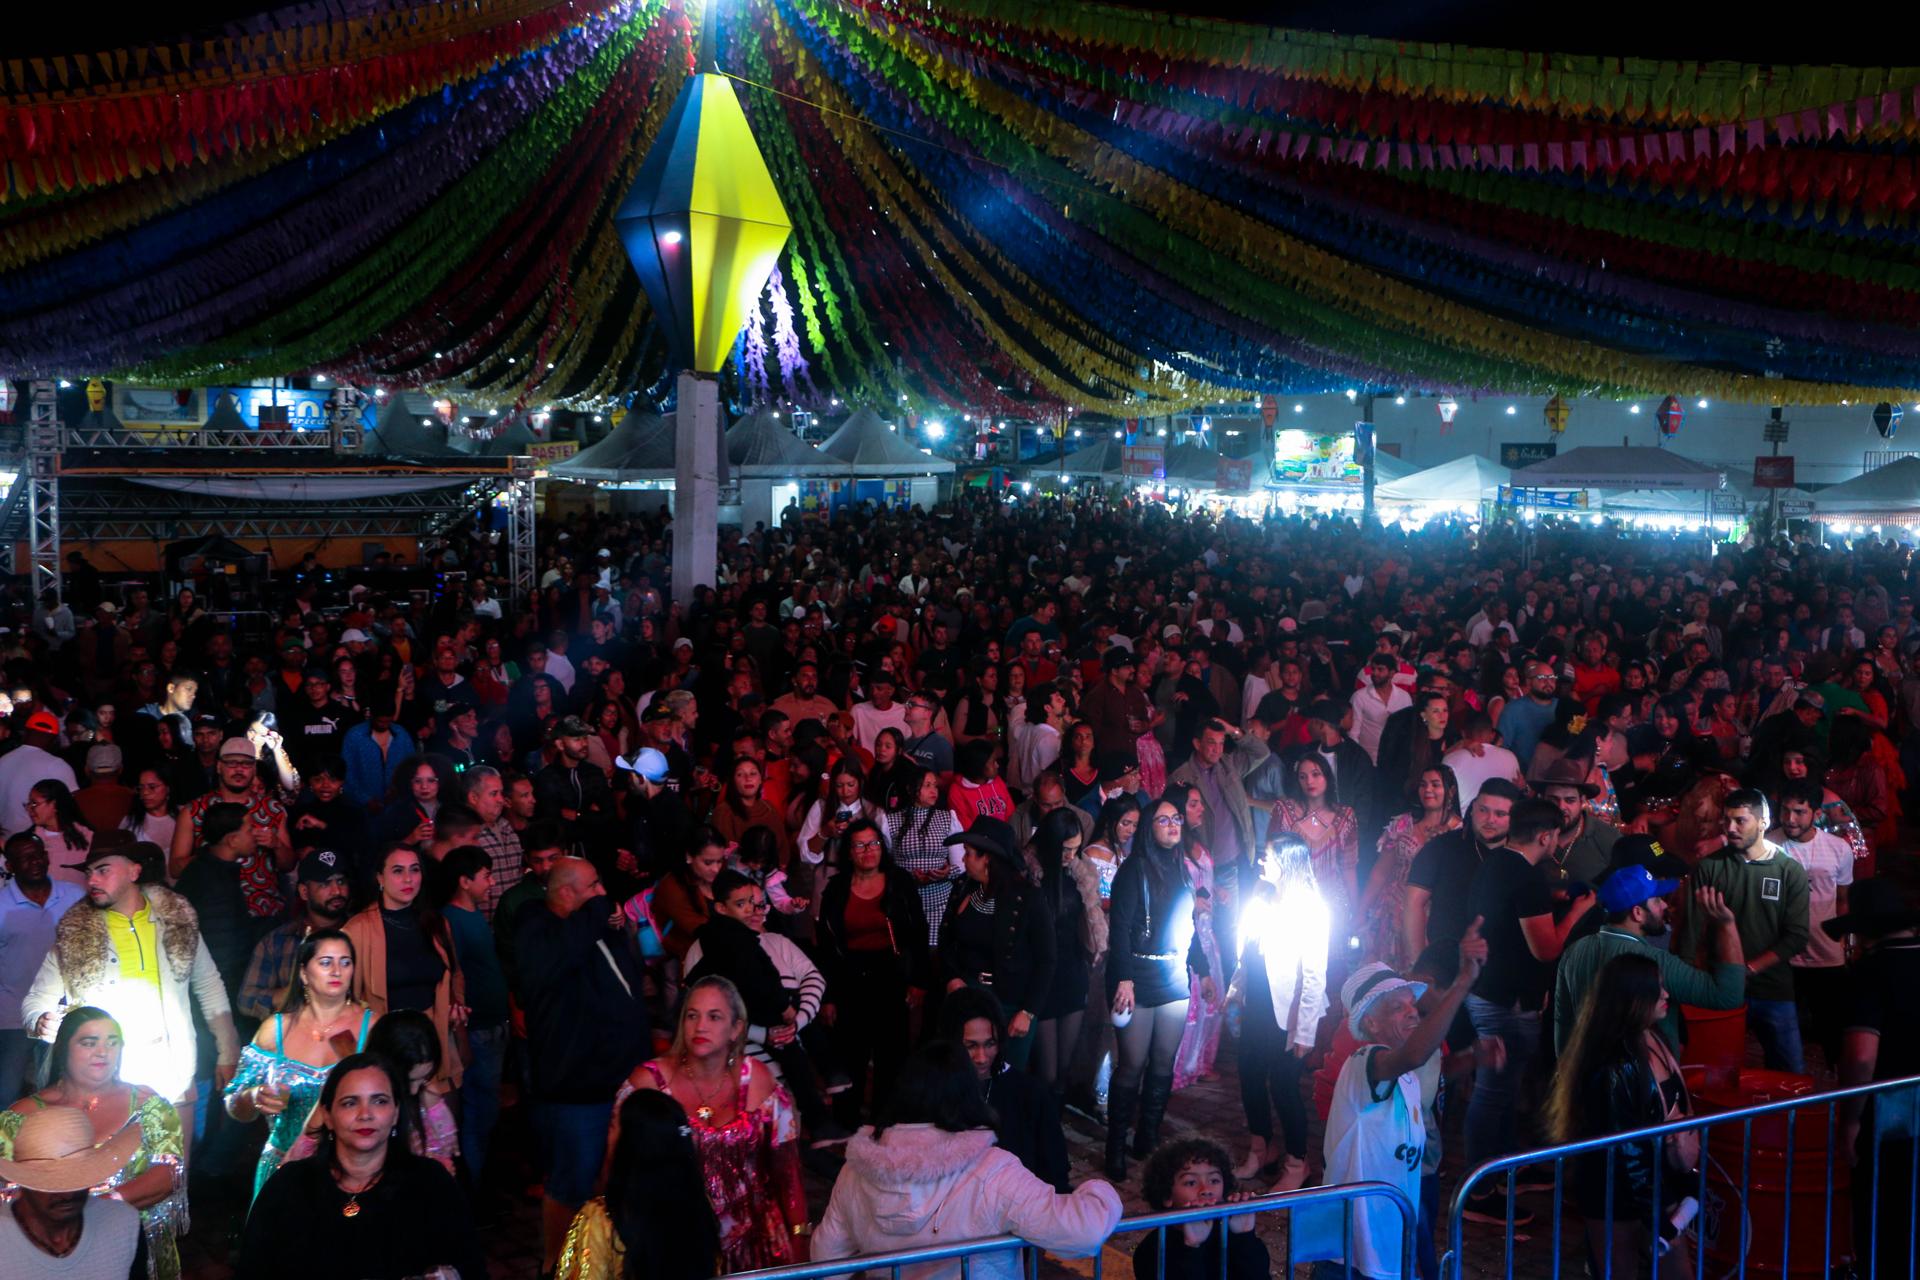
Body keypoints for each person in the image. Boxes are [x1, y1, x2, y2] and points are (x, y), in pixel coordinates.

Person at [812, 1039, 1123, 1280]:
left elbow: (826, 1260)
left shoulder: (856, 1172)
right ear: (967, 1095)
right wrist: (1099, 1191)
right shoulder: (992, 1172)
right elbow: (1083, 1230)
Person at [23, 834, 239, 1153]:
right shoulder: (76, 934)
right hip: (107, 1082)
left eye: (103, 870)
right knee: (113, 1177)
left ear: (134, 871)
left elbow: (209, 984)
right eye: (89, 872)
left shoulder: (177, 921)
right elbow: (36, 1000)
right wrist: (41, 1020)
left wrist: (228, 1050)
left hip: (173, 1075)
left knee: (173, 1175)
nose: (92, 880)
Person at [1317, 926, 1484, 1280]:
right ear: (1371, 1023)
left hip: (1386, 1234)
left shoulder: (1407, 1076)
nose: (1412, 1012)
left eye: (1412, 1004)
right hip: (1352, 1247)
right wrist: (1462, 983)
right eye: (1397, 1007)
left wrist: (1471, 1059)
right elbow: (1414, 1054)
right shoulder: (1363, 1062)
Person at [236, 1053, 485, 1280]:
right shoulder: (289, 1185)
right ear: (328, 1116)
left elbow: (470, 1267)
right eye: (349, 1103)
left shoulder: (431, 1183)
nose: (365, 1114)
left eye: (379, 1101)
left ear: (396, 1113)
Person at [618, 976, 808, 1274]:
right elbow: (616, 1171)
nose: (700, 1026)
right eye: (692, 1016)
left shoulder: (758, 1080)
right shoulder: (648, 1083)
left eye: (714, 1017)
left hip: (755, 1244)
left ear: (736, 1029)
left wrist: (800, 1237)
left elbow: (788, 1172)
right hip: (672, 1245)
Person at [1461, 798, 1595, 1219]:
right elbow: (1546, 949)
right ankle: (1478, 1193)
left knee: (1502, 1093)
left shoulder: (1494, 863)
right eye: (1555, 836)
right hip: (1506, 1001)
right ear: (1545, 836)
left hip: (1487, 989)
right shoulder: (1528, 878)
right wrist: (1577, 912)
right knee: (1492, 1095)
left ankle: (1502, 1170)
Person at [518, 856, 651, 1274]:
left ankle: (607, 1262)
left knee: (619, 1178)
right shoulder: (539, 928)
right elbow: (563, 956)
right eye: (593, 886)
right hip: (577, 1088)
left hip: (622, 1079)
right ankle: (555, 1265)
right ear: (565, 892)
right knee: (571, 1182)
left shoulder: (595, 925)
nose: (602, 894)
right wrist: (598, 912)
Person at [0, 1008, 186, 1280]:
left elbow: (169, 1173)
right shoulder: (21, 1115)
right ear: (63, 1048)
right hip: (48, 1245)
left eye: (112, 1042)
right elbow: (6, 1187)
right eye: (89, 1043)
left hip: (137, 1243)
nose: (103, 1052)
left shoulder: (149, 1105)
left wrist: (102, 1209)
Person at [1545, 953, 1698, 1280]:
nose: (1666, 994)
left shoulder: (1653, 1037)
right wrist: (1656, 1213)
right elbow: (1627, 1150)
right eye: (1657, 989)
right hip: (1614, 1190)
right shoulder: (1614, 1065)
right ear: (1633, 998)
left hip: (1653, 1183)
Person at [683, 871, 842, 1144]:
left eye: (758, 904)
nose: (753, 911)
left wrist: (797, 1021)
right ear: (721, 908)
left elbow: (813, 979)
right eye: (743, 904)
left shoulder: (776, 942)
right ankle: (822, 1112)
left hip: (779, 1065)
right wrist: (767, 1030)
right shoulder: (713, 945)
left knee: (784, 1140)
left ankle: (824, 1103)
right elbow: (702, 1010)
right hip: (733, 1069)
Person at [1105, 797, 1215, 1181]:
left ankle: (1147, 1137)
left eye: (1176, 819)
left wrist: (1202, 971)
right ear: (1149, 828)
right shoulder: (1133, 870)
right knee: (1132, 1064)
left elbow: (1189, 928)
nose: (1173, 825)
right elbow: (1119, 929)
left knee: (1164, 1063)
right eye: (1163, 820)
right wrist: (1124, 979)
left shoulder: (1183, 870)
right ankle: (1115, 1146)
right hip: (1136, 974)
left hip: (1173, 975)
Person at [224, 928, 374, 1199]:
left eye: (345, 962)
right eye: (326, 962)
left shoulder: (372, 1028)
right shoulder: (276, 1030)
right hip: (284, 1170)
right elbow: (234, 1104)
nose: (337, 971)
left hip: (352, 1173)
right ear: (304, 973)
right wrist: (254, 1097)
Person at [1554, 855, 1745, 1055]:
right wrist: (1727, 925)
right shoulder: (1653, 962)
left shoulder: (1574, 952)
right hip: (1644, 1074)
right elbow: (1729, 996)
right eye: (1657, 900)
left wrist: (1570, 1072)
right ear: (1637, 912)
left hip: (1586, 1070)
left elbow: (1563, 1023)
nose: (1664, 905)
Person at [1678, 790, 1810, 1073]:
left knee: (1790, 1074)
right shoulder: (1710, 867)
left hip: (1773, 989)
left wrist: (1749, 969)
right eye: (1726, 820)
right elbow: (1690, 932)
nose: (1730, 828)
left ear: (1763, 823)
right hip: (1719, 989)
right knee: (1716, 1073)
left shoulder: (1789, 871)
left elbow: (1797, 936)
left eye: (1740, 820)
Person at [1828, 878, 1920, 1280]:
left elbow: (1862, 1055)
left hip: (1890, 1120)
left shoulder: (1871, 971)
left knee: (1886, 1221)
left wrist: (1850, 1120)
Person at [1229, 833, 1330, 1194]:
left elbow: (1315, 976)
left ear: (1288, 864)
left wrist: (1305, 1032)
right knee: (1250, 1078)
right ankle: (1261, 1149)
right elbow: (1248, 952)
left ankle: (1297, 1164)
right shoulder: (1261, 897)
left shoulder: (1310, 908)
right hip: (1256, 1005)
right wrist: (1235, 991)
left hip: (1288, 1014)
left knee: (1285, 1088)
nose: (1261, 862)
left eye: (1268, 857)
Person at [818, 817, 930, 1126]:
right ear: (849, 852)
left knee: (891, 1055)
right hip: (849, 978)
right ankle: (847, 1125)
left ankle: (885, 1125)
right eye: (860, 845)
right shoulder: (836, 889)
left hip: (891, 976)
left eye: (874, 843)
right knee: (850, 1054)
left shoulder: (899, 882)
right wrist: (827, 996)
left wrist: (919, 980)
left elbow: (918, 934)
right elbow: (826, 946)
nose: (868, 851)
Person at [556, 1089, 722, 1280]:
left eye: (612, 1126)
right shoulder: (700, 1206)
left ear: (629, 1144)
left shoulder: (602, 1218)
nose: (606, 1135)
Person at [341, 844, 465, 1090]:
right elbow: (344, 1000)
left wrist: (456, 1006)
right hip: (383, 1047)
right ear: (380, 878)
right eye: (398, 871)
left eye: (414, 870)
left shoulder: (436, 922)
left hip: (434, 1041)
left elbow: (455, 974)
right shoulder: (357, 930)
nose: (408, 879)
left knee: (441, 1114)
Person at [939, 816, 1055, 1072]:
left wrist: (1028, 1011)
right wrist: (952, 979)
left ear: (987, 858)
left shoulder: (1028, 897)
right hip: (968, 996)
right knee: (964, 1073)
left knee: (1007, 1075)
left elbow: (1046, 960)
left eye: (969, 853)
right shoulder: (963, 888)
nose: (963, 859)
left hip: (1012, 1003)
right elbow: (946, 940)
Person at [943, 987, 1071, 1191]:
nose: (982, 1058)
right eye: (970, 1046)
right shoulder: (934, 1089)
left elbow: (1056, 1173)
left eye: (990, 1044)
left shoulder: (1030, 1094)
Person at [0, 1106, 143, 1279]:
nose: (68, 1195)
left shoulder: (123, 1224)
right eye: (52, 1184)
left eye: (77, 1180)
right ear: (25, 1183)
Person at [1771, 780, 1854, 1068]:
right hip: (1783, 955)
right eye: (1785, 810)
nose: (1790, 819)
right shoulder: (1768, 845)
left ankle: (1836, 1083)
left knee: (1832, 1028)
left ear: (1816, 813)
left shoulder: (1838, 849)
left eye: (1799, 812)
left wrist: (1843, 943)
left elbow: (1842, 900)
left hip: (1826, 954)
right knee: (1783, 1033)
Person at [442, 844, 510, 1183]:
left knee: (486, 1108)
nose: (492, 883)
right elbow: (455, 977)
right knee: (478, 1111)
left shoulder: (473, 916)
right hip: (478, 1029)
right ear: (464, 881)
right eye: (486, 876)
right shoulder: (451, 920)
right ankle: (473, 1187)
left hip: (493, 1024)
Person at [0, 833, 83, 1102]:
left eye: (38, 855)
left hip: (67, 1014)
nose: (34, 861)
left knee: (59, 1092)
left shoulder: (75, 895)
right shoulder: (1, 905)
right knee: (7, 1092)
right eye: (25, 858)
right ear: (10, 866)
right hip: (12, 1014)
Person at [1402, 779, 1517, 969]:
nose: (1490, 819)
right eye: (1483, 810)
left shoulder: (1521, 855)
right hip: (1445, 965)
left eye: (1500, 814)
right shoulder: (1441, 847)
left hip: (1502, 969)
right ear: (1472, 809)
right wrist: (1420, 964)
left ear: (1514, 818)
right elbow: (1413, 903)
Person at [235, 847, 353, 1022]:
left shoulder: (360, 934)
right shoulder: (278, 941)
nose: (336, 891)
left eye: (341, 881)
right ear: (304, 892)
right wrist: (294, 994)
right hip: (297, 1033)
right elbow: (246, 999)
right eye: (325, 884)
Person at [1362, 766, 1460, 971]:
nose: (1428, 790)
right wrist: (1360, 911)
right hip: (1391, 911)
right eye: (1423, 785)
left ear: (1450, 791)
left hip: (1433, 916)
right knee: (1384, 977)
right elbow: (1380, 872)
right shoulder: (1403, 824)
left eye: (1435, 785)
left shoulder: (1460, 831)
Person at [1133, 1138, 1268, 1280]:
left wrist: (1244, 1238)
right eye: (1191, 1182)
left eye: (1214, 1180)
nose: (1206, 1190)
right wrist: (1191, 1248)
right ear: (1166, 1195)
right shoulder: (1153, 1250)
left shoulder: (1229, 1234)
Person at [884, 765, 964, 948]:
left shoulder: (947, 818)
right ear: (911, 789)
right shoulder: (890, 820)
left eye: (935, 785)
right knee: (908, 950)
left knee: (936, 950)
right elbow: (885, 864)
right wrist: (907, 876)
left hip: (940, 899)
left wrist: (947, 873)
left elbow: (961, 864)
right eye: (927, 785)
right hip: (905, 898)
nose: (933, 790)